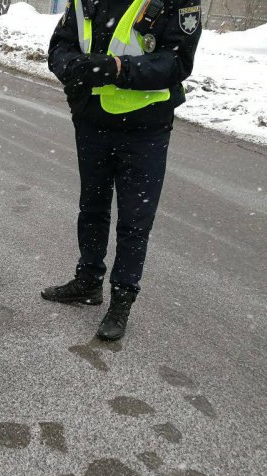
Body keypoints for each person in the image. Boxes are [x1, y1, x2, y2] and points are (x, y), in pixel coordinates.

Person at [44, 0, 202, 340]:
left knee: (134, 221)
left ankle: (122, 300)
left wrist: (117, 68)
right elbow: (60, 46)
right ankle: (88, 282)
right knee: (92, 208)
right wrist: (72, 66)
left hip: (146, 129)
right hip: (92, 121)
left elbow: (176, 63)